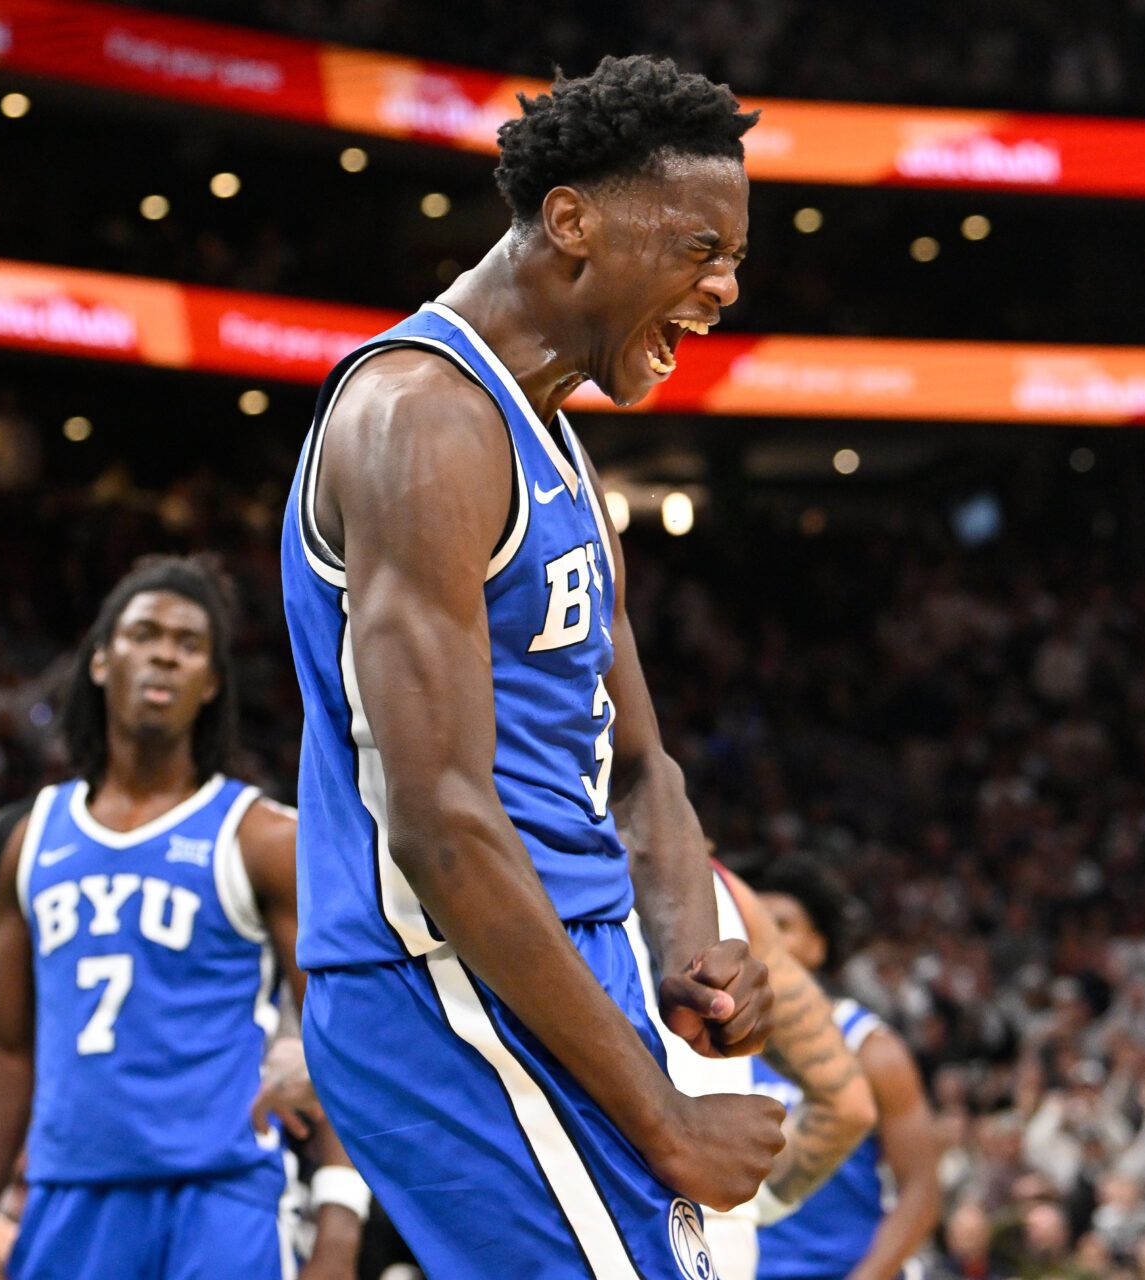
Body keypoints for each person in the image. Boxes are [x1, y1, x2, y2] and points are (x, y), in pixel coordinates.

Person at [280, 52, 785, 1279]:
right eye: (698, 249)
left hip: (560, 956)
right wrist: (664, 1119)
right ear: (572, 222)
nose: (721, 288)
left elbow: (640, 762)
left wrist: (683, 940)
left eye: (731, 259)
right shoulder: (422, 419)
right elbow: (440, 821)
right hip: (443, 975)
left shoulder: (550, 435)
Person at [0, 556, 361, 1279]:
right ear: (102, 661)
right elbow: (6, 1047)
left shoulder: (260, 838)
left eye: (190, 642)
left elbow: (344, 1036)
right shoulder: (26, 839)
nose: (165, 650)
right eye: (144, 632)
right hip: (69, 1195)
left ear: (211, 685)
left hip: (222, 1196)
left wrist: (339, 1228)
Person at [626, 864, 879, 1280]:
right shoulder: (732, 896)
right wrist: (747, 1209)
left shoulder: (540, 850)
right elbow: (847, 1105)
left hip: (565, 1211)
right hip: (709, 1244)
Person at [752, 861, 943, 1280]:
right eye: (749, 924)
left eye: (780, 925)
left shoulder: (871, 1049)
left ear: (818, 947)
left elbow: (921, 1190)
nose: (760, 937)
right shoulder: (698, 1048)